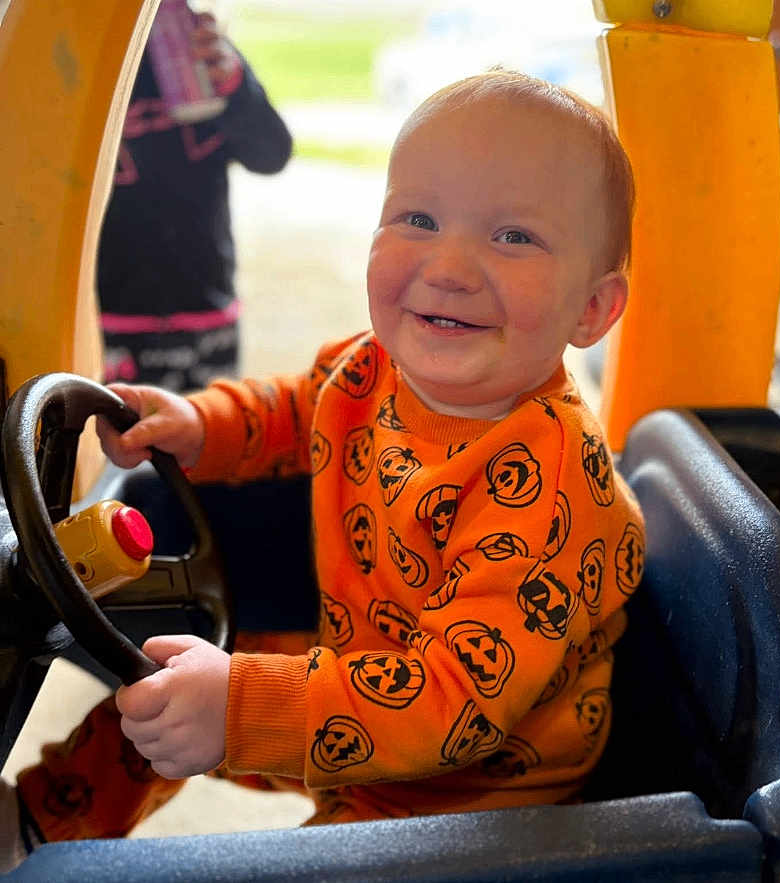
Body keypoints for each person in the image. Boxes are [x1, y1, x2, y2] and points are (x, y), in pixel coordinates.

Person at [0, 69, 645, 865]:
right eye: (417, 217)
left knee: (277, 825)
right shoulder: (374, 367)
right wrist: (203, 425)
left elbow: (452, 704)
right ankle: (37, 825)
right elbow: (297, 405)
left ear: (591, 308)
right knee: (160, 692)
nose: (447, 263)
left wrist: (240, 708)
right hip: (360, 676)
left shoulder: (546, 488)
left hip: (470, 798)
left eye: (512, 236)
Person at [98, 5, 293, 392]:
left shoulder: (205, 53)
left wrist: (236, 84)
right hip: (110, 314)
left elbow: (272, 154)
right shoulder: (81, 71)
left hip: (206, 310)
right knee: (114, 444)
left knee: (209, 442)